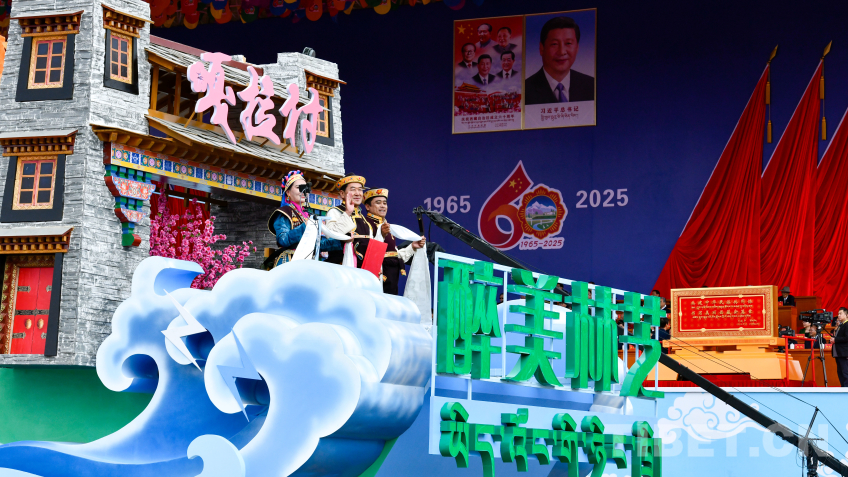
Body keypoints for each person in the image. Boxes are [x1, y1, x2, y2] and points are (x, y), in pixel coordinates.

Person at [267, 170, 342, 268]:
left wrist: (342, 241)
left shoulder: (309, 215)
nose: (303, 191)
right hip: (290, 261)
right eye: (299, 187)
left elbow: (318, 244)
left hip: (308, 262)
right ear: (288, 192)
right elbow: (283, 239)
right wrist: (304, 227)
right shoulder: (284, 213)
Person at [363, 188, 426, 295]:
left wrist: (412, 247)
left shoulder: (387, 226)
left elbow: (393, 255)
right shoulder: (365, 223)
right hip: (377, 276)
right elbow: (368, 254)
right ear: (367, 206)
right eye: (378, 203)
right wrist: (381, 235)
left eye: (384, 203)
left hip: (392, 277)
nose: (383, 206)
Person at [525, 16, 595, 105]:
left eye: (568, 43)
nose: (562, 52)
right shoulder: (525, 90)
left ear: (577, 48)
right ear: (541, 48)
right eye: (554, 44)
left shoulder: (592, 85)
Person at [325, 174, 375, 267]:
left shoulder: (364, 220)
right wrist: (347, 212)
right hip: (341, 267)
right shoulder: (335, 211)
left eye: (360, 189)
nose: (357, 193)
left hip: (362, 269)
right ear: (342, 194)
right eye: (353, 189)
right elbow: (331, 236)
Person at [830, 307, 848, 386]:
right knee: (840, 373)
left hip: (844, 353)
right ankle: (843, 388)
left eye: (841, 314)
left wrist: (835, 339)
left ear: (847, 315)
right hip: (839, 353)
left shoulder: (847, 324)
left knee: (845, 373)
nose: (839, 315)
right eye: (838, 314)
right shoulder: (841, 325)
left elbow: (847, 338)